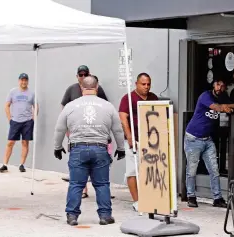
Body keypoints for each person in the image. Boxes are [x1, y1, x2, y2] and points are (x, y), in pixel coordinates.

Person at [53, 76, 125, 226]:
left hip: (78, 149)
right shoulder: (107, 106)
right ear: (96, 87)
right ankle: (105, 216)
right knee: (102, 184)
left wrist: (57, 146)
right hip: (100, 149)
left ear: (81, 88)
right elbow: (117, 129)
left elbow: (60, 128)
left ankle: (72, 216)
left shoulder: (71, 106)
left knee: (76, 184)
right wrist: (120, 147)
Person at [184, 78, 234, 208]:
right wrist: (233, 106)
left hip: (207, 139)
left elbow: (229, 105)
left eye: (222, 86)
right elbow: (216, 107)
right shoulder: (205, 96)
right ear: (213, 85)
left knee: (214, 169)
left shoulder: (223, 97)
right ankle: (191, 196)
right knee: (192, 170)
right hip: (193, 138)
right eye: (218, 85)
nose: (219, 88)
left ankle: (217, 198)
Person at [60, 66, 108, 199]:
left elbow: (106, 107)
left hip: (96, 133)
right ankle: (83, 189)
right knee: (78, 162)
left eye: (85, 74)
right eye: (80, 75)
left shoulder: (97, 89)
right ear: (77, 76)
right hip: (77, 133)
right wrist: (66, 128)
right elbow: (64, 108)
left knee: (96, 163)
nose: (82, 77)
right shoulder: (71, 89)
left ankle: (99, 191)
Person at [118, 72, 158, 211]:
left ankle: (149, 198)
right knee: (132, 171)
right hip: (134, 140)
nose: (146, 87)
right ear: (136, 84)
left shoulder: (153, 97)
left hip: (151, 141)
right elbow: (123, 118)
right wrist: (129, 137)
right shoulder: (128, 98)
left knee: (149, 170)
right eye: (143, 84)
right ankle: (137, 201)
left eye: (148, 84)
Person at [0, 73, 38, 173]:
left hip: (27, 122)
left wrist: (33, 118)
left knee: (25, 142)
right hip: (15, 121)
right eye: (22, 80)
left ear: (28, 81)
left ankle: (21, 164)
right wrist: (9, 119)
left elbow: (36, 106)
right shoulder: (13, 92)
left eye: (25, 80)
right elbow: (7, 105)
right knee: (10, 143)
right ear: (19, 81)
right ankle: (4, 164)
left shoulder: (32, 93)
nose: (23, 82)